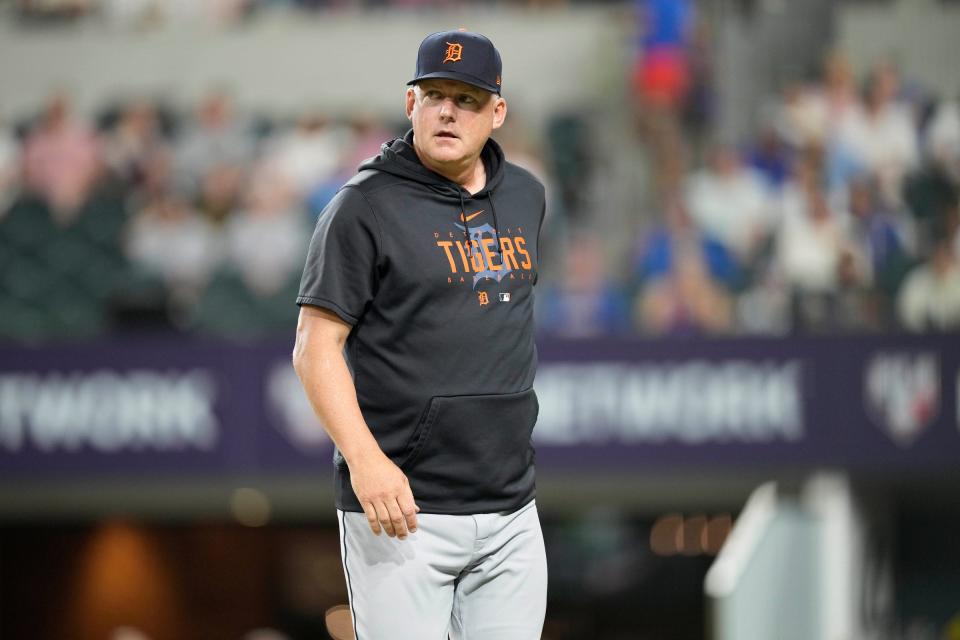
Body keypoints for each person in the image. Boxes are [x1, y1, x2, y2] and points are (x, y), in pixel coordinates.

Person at [292, 30, 547, 640]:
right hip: (404, 513)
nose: (447, 111)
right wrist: (364, 462)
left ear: (497, 112)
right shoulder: (364, 206)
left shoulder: (527, 196)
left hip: (511, 507)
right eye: (434, 94)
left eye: (467, 98)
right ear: (411, 104)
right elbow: (313, 347)